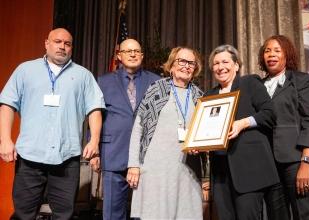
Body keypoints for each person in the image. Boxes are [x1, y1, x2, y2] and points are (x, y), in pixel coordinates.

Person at [0, 28, 105, 220]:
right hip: (30, 157)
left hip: (67, 159)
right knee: (23, 214)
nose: (62, 47)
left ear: (71, 47)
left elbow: (95, 109)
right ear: (46, 43)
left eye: (67, 43)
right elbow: (7, 104)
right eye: (57, 42)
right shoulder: (25, 70)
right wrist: (5, 140)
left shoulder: (83, 76)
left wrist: (94, 140)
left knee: (64, 215)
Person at [205, 45, 283, 220]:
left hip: (250, 169)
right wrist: (198, 144)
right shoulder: (208, 96)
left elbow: (270, 114)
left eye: (225, 61)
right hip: (221, 174)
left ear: (236, 66)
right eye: (216, 63)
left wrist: (244, 123)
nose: (220, 66)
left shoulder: (249, 83)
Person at [126, 47, 204, 219]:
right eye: (181, 61)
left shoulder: (200, 96)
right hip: (156, 170)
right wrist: (133, 164)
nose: (186, 66)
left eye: (191, 62)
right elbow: (139, 127)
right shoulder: (157, 89)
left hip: (187, 171)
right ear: (172, 65)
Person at [259, 35, 309, 220]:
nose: (271, 54)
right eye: (267, 50)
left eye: (277, 50)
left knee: (307, 215)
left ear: (287, 55)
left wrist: (306, 162)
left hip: (296, 160)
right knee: (276, 215)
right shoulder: (259, 86)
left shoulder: (301, 80)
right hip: (270, 165)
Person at [94, 39, 160, 220]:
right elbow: (94, 116)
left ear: (142, 55)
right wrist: (94, 152)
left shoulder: (156, 81)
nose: (132, 54)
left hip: (147, 158)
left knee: (147, 214)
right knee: (113, 214)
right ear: (119, 55)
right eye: (128, 51)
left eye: (136, 51)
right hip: (113, 153)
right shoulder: (103, 81)